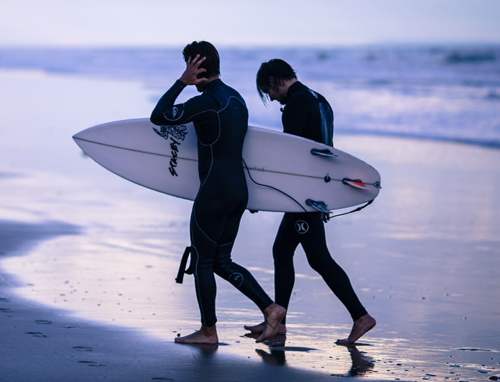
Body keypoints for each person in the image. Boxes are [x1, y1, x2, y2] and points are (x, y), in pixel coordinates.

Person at [150, 41, 286, 345]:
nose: (185, 71)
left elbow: (159, 116)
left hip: (214, 191)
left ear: (196, 67)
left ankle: (208, 331)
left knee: (203, 261)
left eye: (188, 66)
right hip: (238, 190)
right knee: (222, 261)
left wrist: (181, 83)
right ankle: (271, 308)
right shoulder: (236, 99)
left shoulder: (207, 101)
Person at [244, 59, 376, 345]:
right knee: (282, 251)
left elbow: (289, 157)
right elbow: (326, 149)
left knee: (318, 258)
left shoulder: (296, 104)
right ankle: (278, 321)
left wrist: (261, 195)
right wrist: (325, 196)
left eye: (268, 91)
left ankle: (360, 316)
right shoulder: (319, 100)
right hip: (313, 191)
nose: (271, 98)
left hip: (302, 195)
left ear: (273, 81)